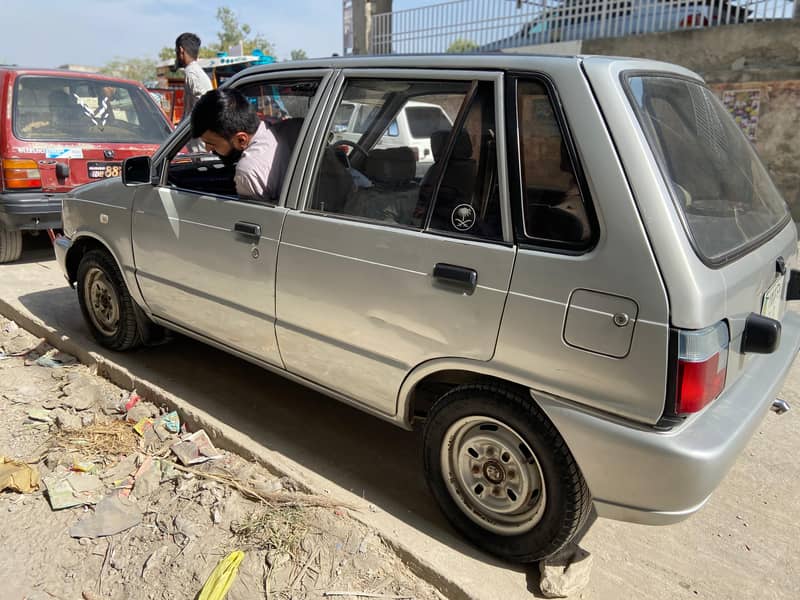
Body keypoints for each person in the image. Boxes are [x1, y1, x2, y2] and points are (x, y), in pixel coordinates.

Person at [191, 88, 278, 202]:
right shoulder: (293, 126)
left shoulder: (248, 171)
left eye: (211, 143)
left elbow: (255, 219)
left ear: (241, 140)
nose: (208, 149)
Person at [175, 32, 212, 151]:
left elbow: (203, 108)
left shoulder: (192, 74)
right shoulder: (195, 72)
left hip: (200, 148)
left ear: (181, 50)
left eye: (176, 52)